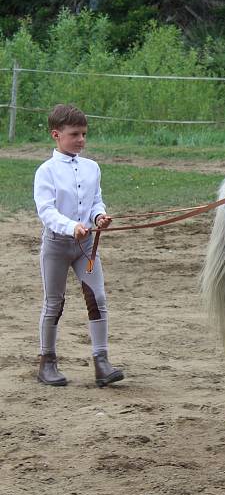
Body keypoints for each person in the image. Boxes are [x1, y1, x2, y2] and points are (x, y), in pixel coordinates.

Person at [33, 104, 124, 387]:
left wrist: (98, 216)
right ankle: (47, 361)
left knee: (98, 299)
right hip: (57, 246)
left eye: (84, 134)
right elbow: (46, 211)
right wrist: (71, 226)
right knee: (54, 303)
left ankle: (101, 360)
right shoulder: (46, 172)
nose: (81, 140)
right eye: (75, 134)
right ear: (56, 135)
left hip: (85, 246)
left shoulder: (91, 168)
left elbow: (96, 200)